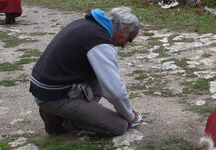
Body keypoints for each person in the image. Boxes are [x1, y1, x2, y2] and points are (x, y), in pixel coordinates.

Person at [30, 7, 141, 136]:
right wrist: (129, 116)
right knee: (119, 125)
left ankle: (60, 113)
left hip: (45, 88)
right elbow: (114, 92)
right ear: (125, 29)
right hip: (54, 96)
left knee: (99, 80)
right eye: (129, 40)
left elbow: (106, 83)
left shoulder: (87, 24)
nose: (124, 45)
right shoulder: (100, 41)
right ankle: (62, 119)